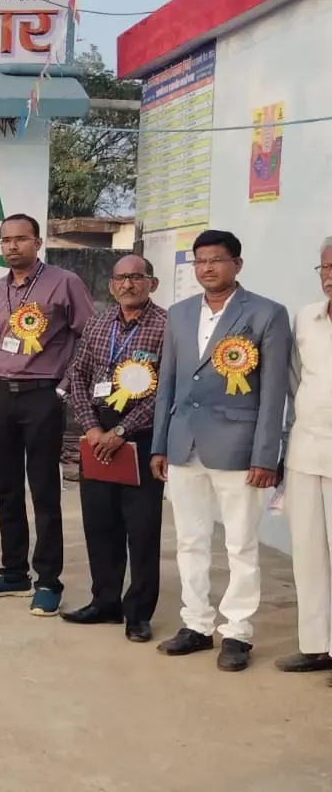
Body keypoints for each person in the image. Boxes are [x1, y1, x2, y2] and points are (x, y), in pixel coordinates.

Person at [151, 229, 290, 672]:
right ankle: (196, 624)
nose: (207, 268)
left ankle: (237, 632)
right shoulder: (179, 313)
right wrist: (159, 444)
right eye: (200, 261)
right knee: (189, 540)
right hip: (183, 445)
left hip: (238, 448)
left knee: (240, 544)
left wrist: (265, 455)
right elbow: (168, 383)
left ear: (237, 264)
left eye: (216, 260)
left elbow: (274, 393)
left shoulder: (266, 313)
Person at [0, 214, 94, 616]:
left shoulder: (64, 282)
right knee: (5, 489)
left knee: (44, 492)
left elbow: (88, 337)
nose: (12, 246)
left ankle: (48, 581)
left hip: (42, 395)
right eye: (5, 240)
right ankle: (13, 573)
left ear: (37, 243)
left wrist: (63, 387)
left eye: (20, 239)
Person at [61, 255, 168, 643]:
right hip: (96, 434)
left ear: (152, 283)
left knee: (141, 529)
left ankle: (138, 613)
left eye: (136, 277)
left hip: (140, 436)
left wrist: (122, 430)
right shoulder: (98, 322)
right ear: (110, 285)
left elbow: (165, 389)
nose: (128, 285)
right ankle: (104, 601)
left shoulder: (167, 326)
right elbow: (77, 375)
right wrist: (91, 428)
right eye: (120, 278)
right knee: (99, 523)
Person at [280, 240, 332, 678]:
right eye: (325, 267)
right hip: (306, 451)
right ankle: (316, 647)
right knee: (308, 554)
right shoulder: (306, 319)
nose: (329, 276)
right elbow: (296, 382)